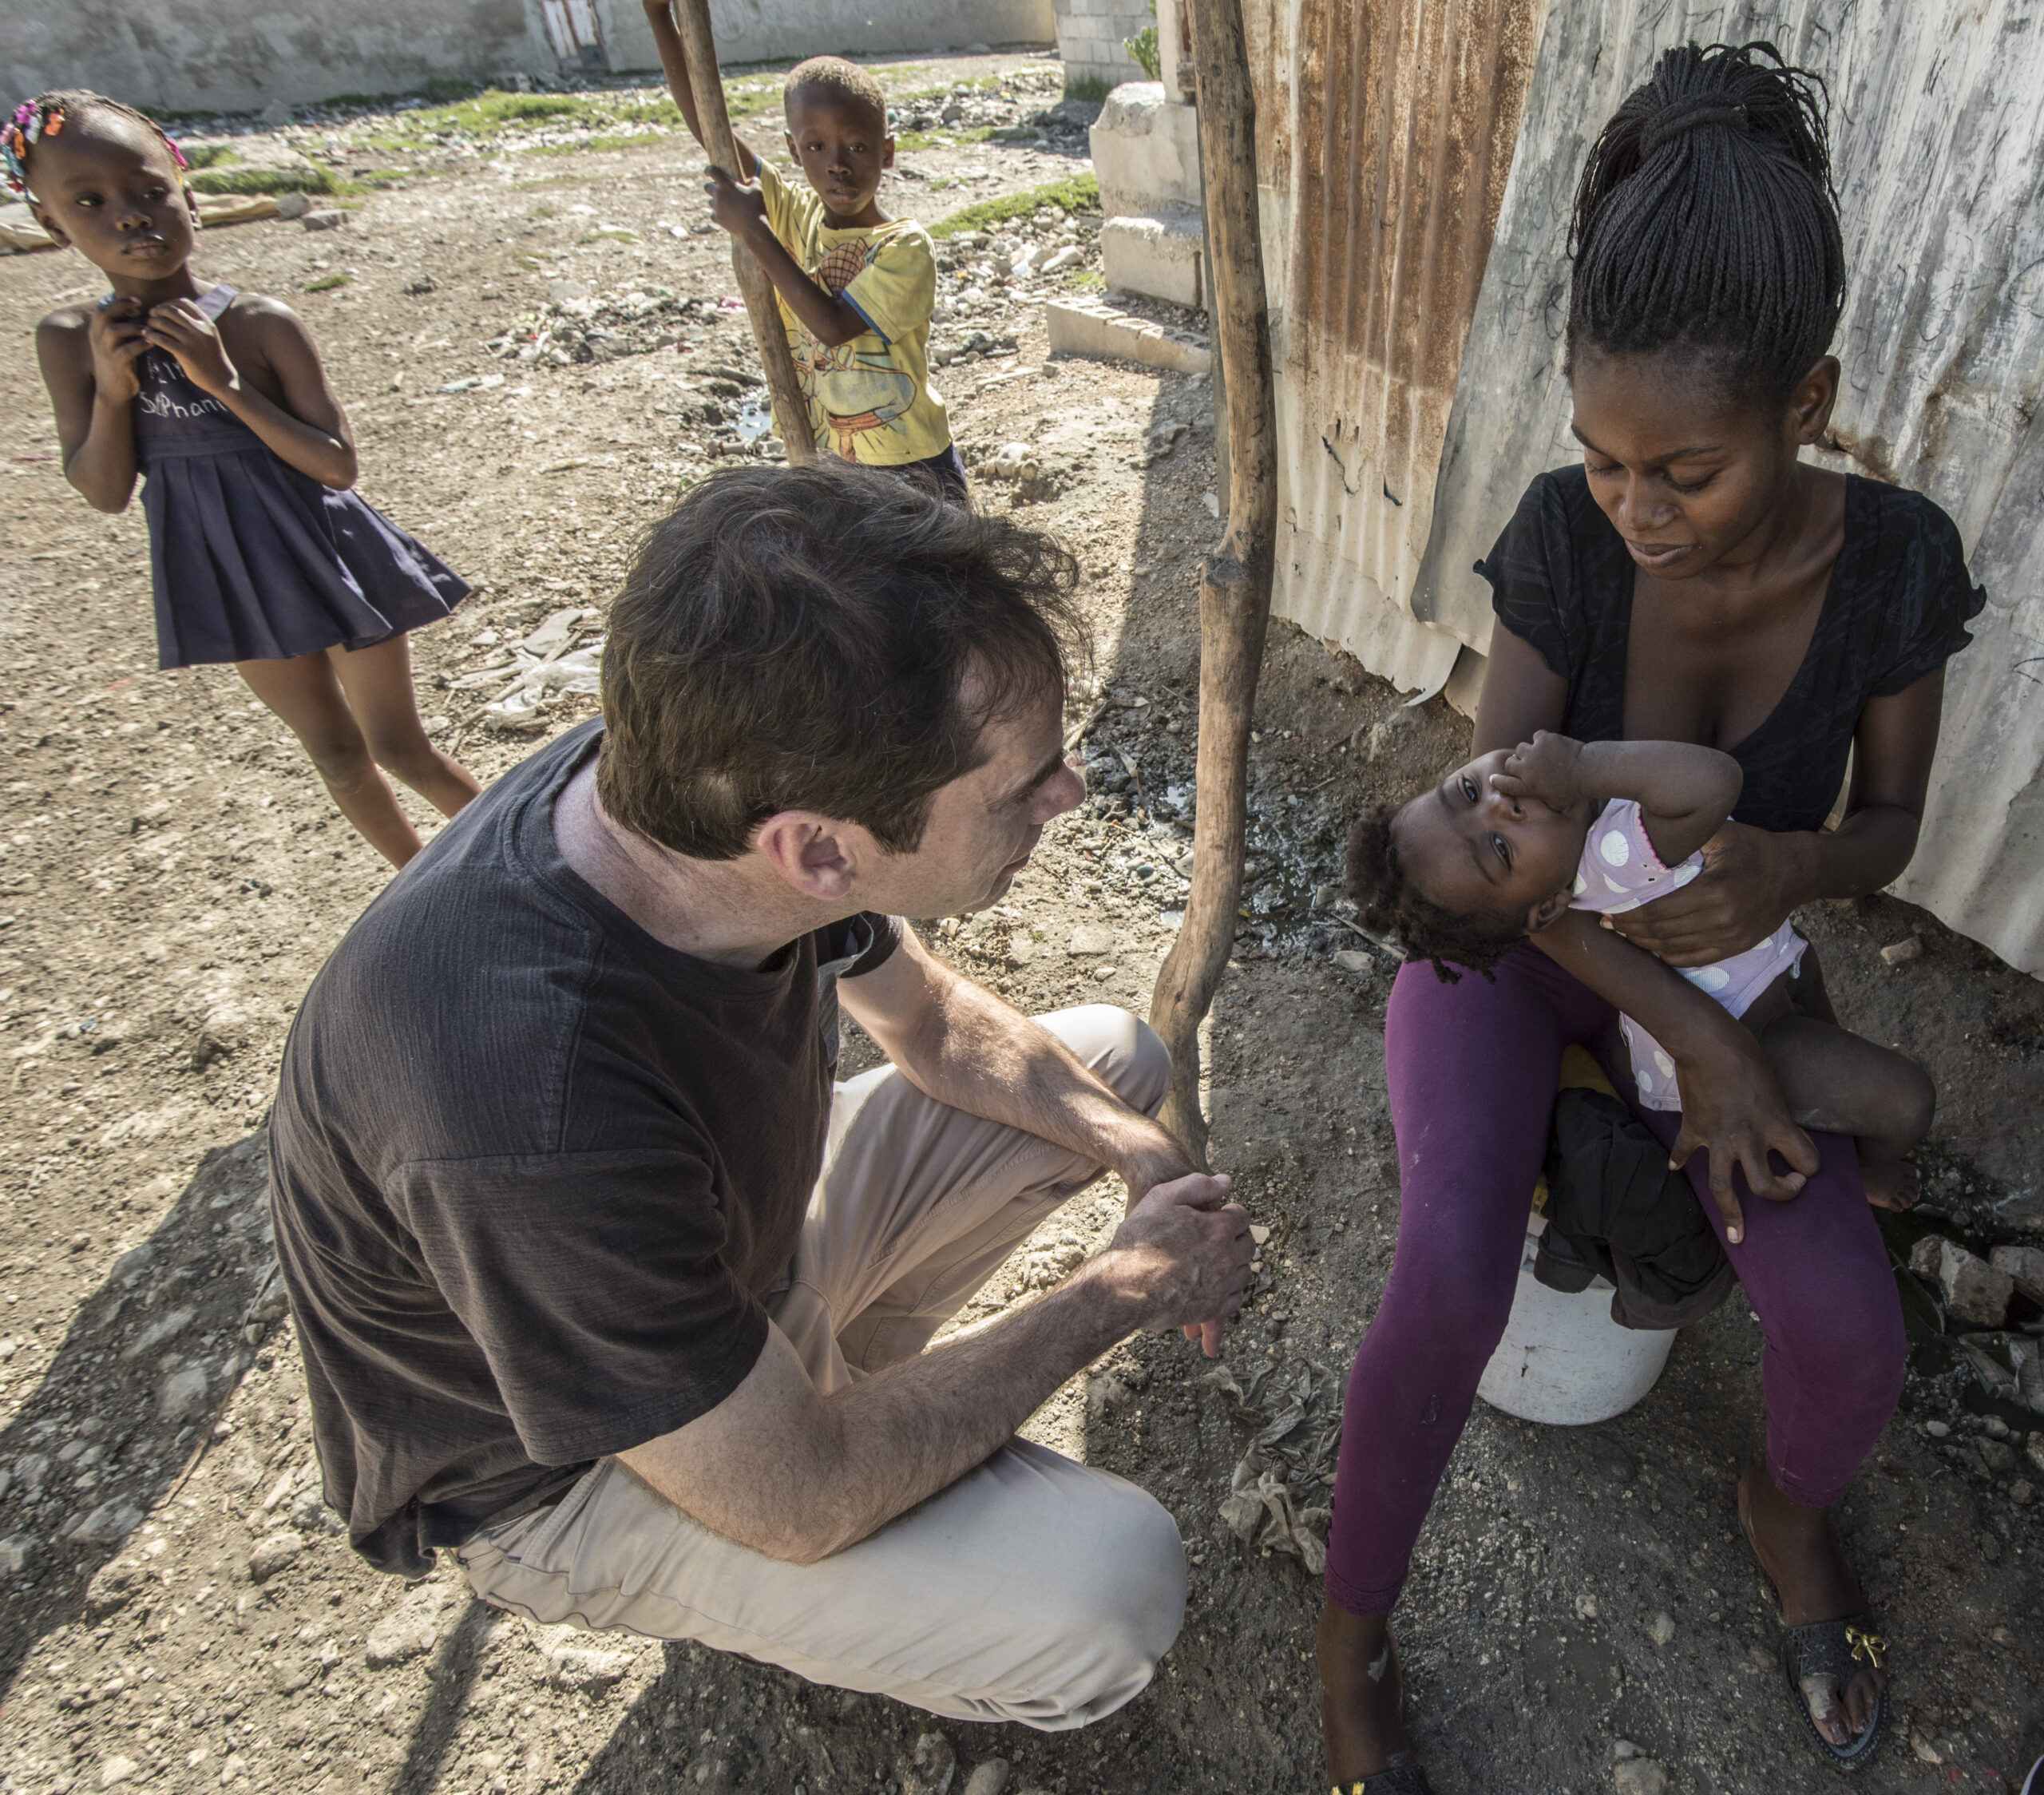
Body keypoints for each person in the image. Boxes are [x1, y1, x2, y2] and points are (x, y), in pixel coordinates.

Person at [267, 461, 1254, 1730]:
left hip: (720, 1268)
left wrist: (1135, 1154)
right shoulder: (534, 1111)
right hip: (560, 1466)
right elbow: (796, 1496)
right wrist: (1123, 1290)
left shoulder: (696, 787)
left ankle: (827, 1391)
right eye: (1023, 786)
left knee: (1110, 1063)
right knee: (1111, 1589)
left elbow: (935, 1022)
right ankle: (817, 1495)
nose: (1066, 797)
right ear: (819, 849)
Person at [1316, 42, 1983, 1789]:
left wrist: (1793, 870)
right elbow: (1505, 860)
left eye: (1679, 469)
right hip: (1539, 960)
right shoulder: (1558, 534)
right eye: (1602, 459)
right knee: (1445, 1269)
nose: (1634, 509)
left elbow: (1891, 825)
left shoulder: (1897, 562)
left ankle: (1782, 1506)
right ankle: (1349, 1639)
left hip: (1727, 957)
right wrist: (1677, 1037)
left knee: (1849, 1334)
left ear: (1807, 402)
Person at [12, 90, 479, 870]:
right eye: (90, 202)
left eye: (148, 190)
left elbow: (336, 464)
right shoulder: (70, 341)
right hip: (224, 569)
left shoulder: (258, 323)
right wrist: (111, 389)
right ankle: (426, 888)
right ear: (54, 228)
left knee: (399, 746)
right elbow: (101, 489)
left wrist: (223, 381)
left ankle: (541, 869)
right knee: (334, 754)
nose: (130, 216)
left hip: (330, 556)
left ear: (187, 194)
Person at [1351, 731, 1934, 1212]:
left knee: (1826, 1023)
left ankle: (1847, 1134)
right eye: (1502, 849)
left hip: (1764, 974)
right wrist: (1581, 766)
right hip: (1754, 1029)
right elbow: (1714, 782)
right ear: (1549, 908)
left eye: (1469, 787)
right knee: (1907, 1101)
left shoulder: (1584, 845)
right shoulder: (1609, 854)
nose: (1501, 803)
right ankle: (1869, 1167)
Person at [640, 6, 965, 497]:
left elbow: (832, 326)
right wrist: (660, 18)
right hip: (831, 464)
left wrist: (754, 232)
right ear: (794, 151)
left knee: (939, 576)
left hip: (913, 470)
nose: (837, 165)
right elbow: (711, 128)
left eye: (857, 147)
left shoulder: (904, 246)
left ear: (888, 152)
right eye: (816, 148)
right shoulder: (795, 215)